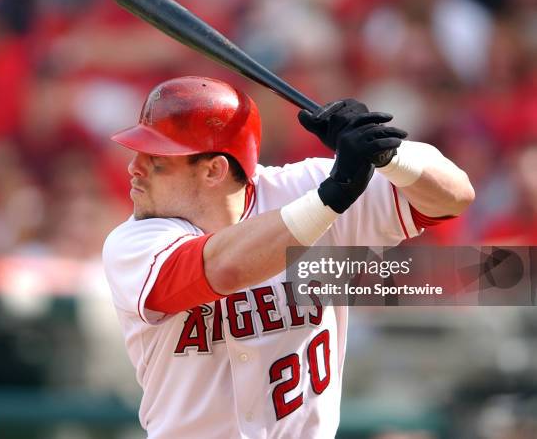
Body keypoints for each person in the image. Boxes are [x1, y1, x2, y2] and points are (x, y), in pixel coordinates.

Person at [102, 76, 474, 438]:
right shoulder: (133, 242)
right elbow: (224, 268)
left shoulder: (301, 186)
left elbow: (454, 196)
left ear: (214, 170)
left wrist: (387, 154)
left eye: (157, 160)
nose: (133, 169)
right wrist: (332, 197)